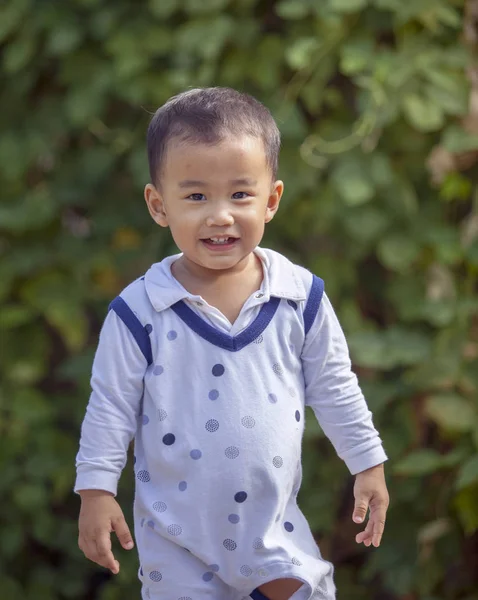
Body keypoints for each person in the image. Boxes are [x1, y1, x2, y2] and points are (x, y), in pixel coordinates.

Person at [75, 87, 389, 600]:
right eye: (196, 196)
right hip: (177, 542)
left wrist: (367, 464)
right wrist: (95, 491)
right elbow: (110, 407)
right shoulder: (139, 313)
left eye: (240, 195)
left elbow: (335, 387)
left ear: (271, 200)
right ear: (159, 205)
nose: (219, 215)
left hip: (274, 532)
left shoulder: (299, 297)